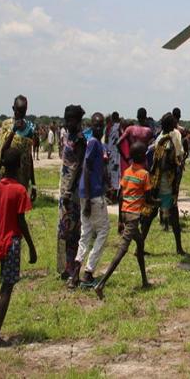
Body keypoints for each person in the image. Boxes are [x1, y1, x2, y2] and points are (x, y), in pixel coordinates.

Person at [0, 146, 37, 348]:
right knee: (8, 288)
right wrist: (31, 246)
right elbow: (21, 221)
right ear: (19, 166)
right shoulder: (20, 190)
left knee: (5, 284)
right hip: (12, 242)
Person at [95, 141, 151, 299]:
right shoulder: (144, 174)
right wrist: (157, 202)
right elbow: (148, 198)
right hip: (133, 217)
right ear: (142, 157)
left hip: (126, 214)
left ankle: (144, 280)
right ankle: (101, 284)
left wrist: (120, 220)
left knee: (140, 243)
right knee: (122, 250)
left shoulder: (126, 172)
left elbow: (121, 196)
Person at [72, 113, 110, 289]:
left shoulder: (99, 145)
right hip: (92, 194)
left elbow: (97, 169)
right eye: (96, 125)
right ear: (91, 126)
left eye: (101, 125)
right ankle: (88, 272)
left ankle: (75, 274)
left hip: (89, 192)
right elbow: (86, 169)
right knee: (103, 231)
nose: (99, 128)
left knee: (86, 233)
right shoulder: (94, 143)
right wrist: (87, 198)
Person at [146, 112, 185, 255]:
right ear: (170, 125)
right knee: (172, 215)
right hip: (165, 184)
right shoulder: (168, 141)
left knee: (152, 215)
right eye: (173, 123)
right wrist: (175, 165)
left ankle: (140, 246)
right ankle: (179, 248)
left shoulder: (160, 138)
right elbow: (164, 163)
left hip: (157, 183)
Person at [58, 105, 86, 286]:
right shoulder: (68, 136)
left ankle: (73, 270)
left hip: (73, 192)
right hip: (64, 188)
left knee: (73, 231)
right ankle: (65, 267)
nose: (69, 123)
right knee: (64, 230)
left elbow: (77, 167)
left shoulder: (80, 140)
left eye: (72, 120)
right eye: (67, 120)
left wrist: (68, 191)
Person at [0, 96, 37, 202]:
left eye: (23, 111)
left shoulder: (30, 128)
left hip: (23, 175)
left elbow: (29, 156)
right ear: (13, 108)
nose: (20, 114)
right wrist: (13, 130)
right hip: (7, 174)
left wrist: (33, 184)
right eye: (18, 111)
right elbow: (2, 150)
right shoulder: (6, 125)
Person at [120, 108, 154, 174]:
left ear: (137, 117)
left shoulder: (130, 129)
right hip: (143, 162)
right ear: (145, 117)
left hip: (132, 162)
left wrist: (126, 158)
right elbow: (153, 145)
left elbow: (118, 143)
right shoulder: (148, 131)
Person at [105, 112, 122, 202]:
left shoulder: (109, 128)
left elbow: (106, 141)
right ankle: (114, 195)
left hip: (111, 153)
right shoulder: (118, 127)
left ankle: (113, 195)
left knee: (112, 174)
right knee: (116, 175)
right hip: (116, 154)